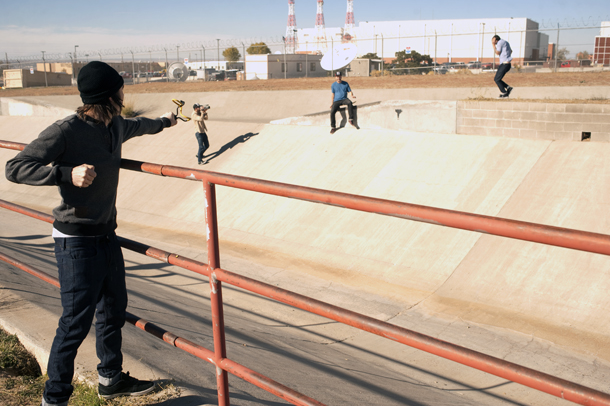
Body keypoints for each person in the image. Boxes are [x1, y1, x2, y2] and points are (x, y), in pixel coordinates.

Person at [5, 61, 177, 406]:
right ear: (110, 95)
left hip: (106, 236)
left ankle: (110, 379)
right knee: (75, 322)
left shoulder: (116, 127)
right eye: (121, 89)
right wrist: (66, 174)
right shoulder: (66, 130)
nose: (124, 93)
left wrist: (168, 121)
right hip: (76, 240)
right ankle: (54, 399)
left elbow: (142, 125)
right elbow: (16, 167)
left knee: (113, 309)